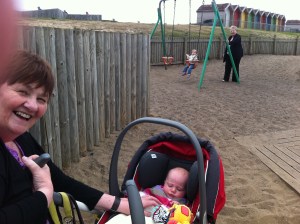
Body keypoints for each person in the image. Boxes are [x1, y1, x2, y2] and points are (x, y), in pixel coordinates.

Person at [0, 50, 160, 224]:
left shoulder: (21, 139)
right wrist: (44, 193)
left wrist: (118, 203)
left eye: (41, 99)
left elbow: (59, 180)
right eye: (23, 92)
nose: (32, 105)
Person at [106, 167, 189, 224]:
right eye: (170, 185)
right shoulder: (156, 190)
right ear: (164, 182)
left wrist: (177, 207)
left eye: (179, 189)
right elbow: (143, 196)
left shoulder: (182, 202)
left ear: (185, 191)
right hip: (140, 213)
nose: (173, 190)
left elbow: (182, 215)